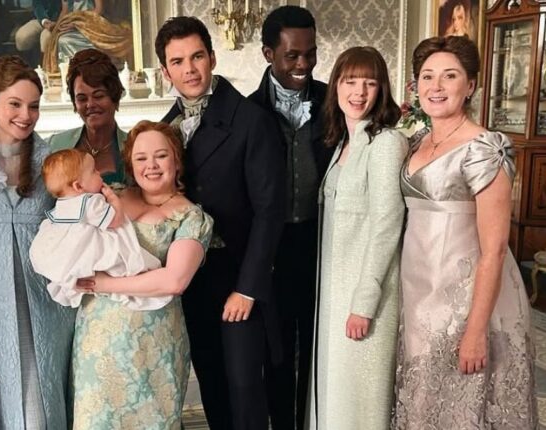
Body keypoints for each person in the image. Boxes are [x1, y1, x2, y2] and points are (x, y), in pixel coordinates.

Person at [392, 36, 537, 429]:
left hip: (465, 298)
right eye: (427, 76)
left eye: (450, 76)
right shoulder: (417, 141)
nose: (436, 87)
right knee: (421, 401)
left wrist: (475, 330)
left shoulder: (485, 148)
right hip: (417, 291)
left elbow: (495, 249)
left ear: (470, 85)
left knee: (461, 406)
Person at [156, 16, 286, 429]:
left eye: (197, 57)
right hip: (191, 281)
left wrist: (247, 288)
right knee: (212, 384)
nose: (189, 69)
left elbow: (270, 211)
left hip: (238, 276)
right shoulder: (163, 128)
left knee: (245, 389)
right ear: (165, 71)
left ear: (212, 58)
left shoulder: (251, 119)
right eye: (177, 61)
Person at [0, 55, 75, 430]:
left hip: (48, 298)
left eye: (34, 106)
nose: (26, 115)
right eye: (15, 104)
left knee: (45, 396)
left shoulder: (53, 161)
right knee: (0, 393)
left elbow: (79, 216)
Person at [71, 120, 213, 429]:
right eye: (141, 158)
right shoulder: (107, 198)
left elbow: (174, 281)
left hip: (154, 346)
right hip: (98, 342)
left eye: (161, 156)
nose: (151, 165)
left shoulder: (191, 217)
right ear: (130, 164)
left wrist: (105, 283)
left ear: (177, 161)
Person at [307, 46, 406, 430]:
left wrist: (364, 303)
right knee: (335, 398)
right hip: (335, 296)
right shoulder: (342, 143)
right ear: (336, 86)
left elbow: (386, 225)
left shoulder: (386, 144)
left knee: (359, 407)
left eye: (370, 83)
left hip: (365, 298)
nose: (359, 92)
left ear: (382, 90)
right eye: (350, 81)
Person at [247, 7, 331, 429]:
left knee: (320, 347)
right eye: (292, 55)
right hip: (272, 250)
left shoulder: (334, 101)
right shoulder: (248, 112)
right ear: (268, 53)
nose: (304, 64)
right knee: (276, 352)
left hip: (323, 244)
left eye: (310, 53)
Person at [29, 148, 166, 310]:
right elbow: (115, 221)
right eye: (94, 171)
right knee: (123, 257)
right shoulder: (91, 202)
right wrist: (113, 200)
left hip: (65, 248)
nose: (99, 173)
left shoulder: (62, 204)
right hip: (85, 246)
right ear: (78, 186)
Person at [49, 48, 127, 185]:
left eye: (99, 96)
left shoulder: (134, 147)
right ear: (74, 103)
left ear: (115, 97)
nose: (90, 104)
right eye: (82, 98)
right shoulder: (55, 146)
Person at [42, 0, 132, 74]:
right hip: (72, 25)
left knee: (89, 41)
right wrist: (59, 25)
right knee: (62, 40)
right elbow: (64, 11)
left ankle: (95, 66)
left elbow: (99, 10)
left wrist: (80, 22)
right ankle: (72, 71)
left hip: (92, 25)